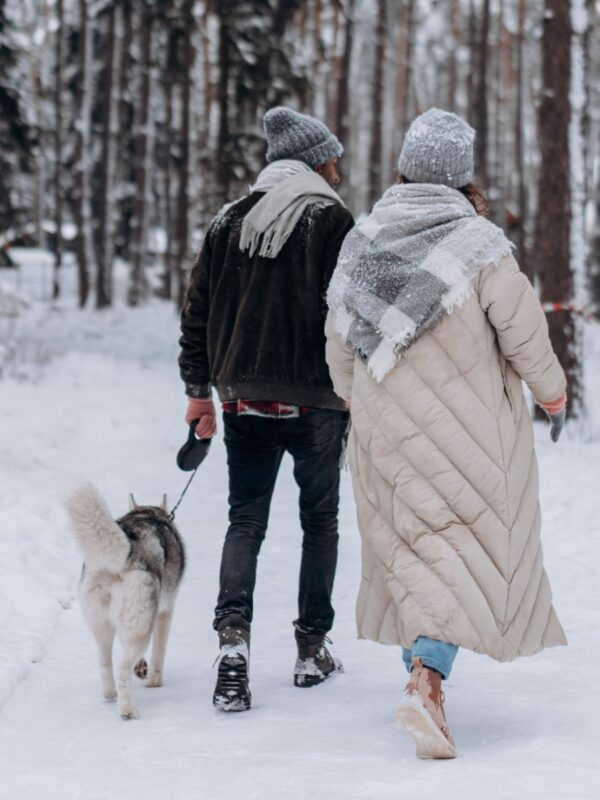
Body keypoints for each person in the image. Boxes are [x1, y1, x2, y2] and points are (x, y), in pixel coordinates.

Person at [325, 108, 567, 759]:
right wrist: (551, 389)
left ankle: (421, 673)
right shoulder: (479, 245)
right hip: (468, 434)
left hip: (382, 433)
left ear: (404, 166)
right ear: (463, 176)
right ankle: (426, 679)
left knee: (410, 550)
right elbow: (521, 332)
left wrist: (359, 396)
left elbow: (339, 347)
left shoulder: (363, 243)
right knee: (453, 552)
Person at [179, 106, 354, 712]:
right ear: (316, 160)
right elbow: (350, 314)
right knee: (319, 522)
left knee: (245, 521)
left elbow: (197, 312)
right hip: (316, 401)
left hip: (243, 398)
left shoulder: (228, 221)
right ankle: (311, 649)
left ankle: (233, 643)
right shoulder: (330, 219)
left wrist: (199, 392)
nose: (338, 167)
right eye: (333, 157)